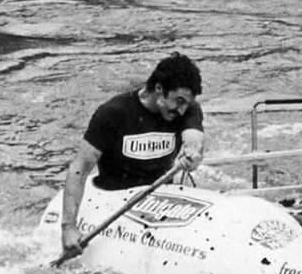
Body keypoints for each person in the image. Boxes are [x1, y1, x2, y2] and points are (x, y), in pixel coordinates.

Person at [59, 53, 204, 259]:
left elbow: (194, 138)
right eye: (178, 101)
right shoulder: (113, 113)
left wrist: (192, 154)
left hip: (162, 200)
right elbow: (80, 168)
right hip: (115, 198)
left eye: (186, 104)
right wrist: (68, 227)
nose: (181, 110)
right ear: (159, 89)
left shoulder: (187, 109)